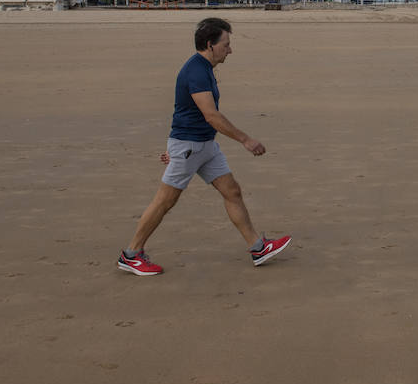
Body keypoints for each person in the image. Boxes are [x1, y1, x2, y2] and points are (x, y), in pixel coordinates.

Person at [118, 17, 290, 276]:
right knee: (164, 202)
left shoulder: (206, 68)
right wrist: (246, 139)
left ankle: (257, 247)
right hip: (189, 147)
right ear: (210, 44)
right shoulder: (196, 71)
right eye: (226, 45)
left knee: (232, 191)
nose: (229, 50)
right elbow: (211, 115)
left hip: (205, 146)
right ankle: (131, 254)